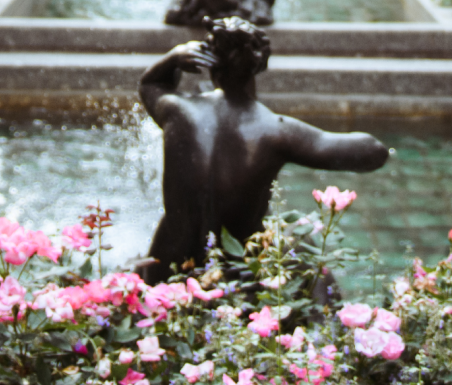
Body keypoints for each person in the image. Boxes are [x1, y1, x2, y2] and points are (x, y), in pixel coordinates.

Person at [133, 18, 389, 282]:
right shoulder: (276, 130)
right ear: (259, 64)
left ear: (209, 62)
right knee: (306, 251)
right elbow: (374, 153)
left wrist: (174, 58)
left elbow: (150, 84)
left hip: (166, 271)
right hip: (233, 275)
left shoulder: (176, 110)